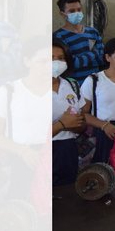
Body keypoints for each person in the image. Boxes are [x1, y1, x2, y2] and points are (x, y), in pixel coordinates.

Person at [78, 37, 115, 163]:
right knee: (105, 172)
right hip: (104, 133)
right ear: (108, 57)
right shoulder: (94, 80)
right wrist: (104, 126)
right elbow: (83, 114)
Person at [51, 39, 87, 186]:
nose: (56, 62)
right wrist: (62, 124)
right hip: (39, 152)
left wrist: (75, 125)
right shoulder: (25, 91)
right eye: (50, 58)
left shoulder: (71, 85)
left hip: (67, 149)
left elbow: (82, 124)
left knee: (67, 195)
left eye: (61, 58)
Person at [53, 0, 104, 84]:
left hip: (95, 84)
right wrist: (94, 53)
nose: (77, 13)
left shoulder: (93, 32)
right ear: (62, 14)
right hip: (74, 86)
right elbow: (70, 64)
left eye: (79, 10)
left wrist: (82, 59)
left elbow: (102, 58)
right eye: (72, 11)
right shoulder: (58, 37)